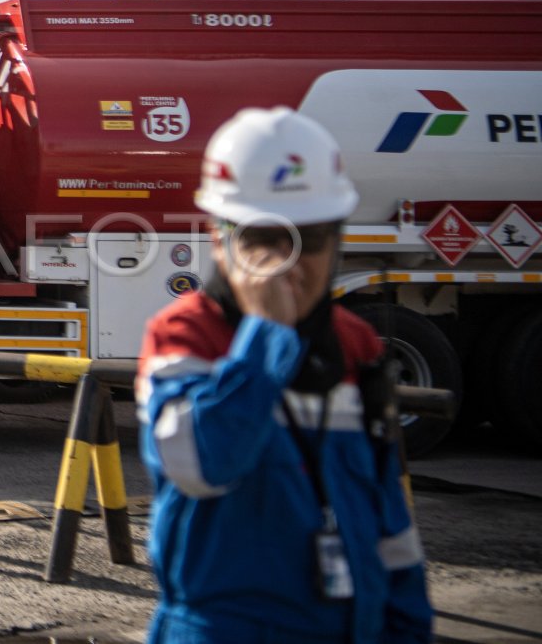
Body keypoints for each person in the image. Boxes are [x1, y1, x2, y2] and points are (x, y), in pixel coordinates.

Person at [135, 108, 433, 643]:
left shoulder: (353, 342)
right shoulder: (183, 335)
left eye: (310, 237)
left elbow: (388, 514)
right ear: (218, 237)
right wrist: (265, 335)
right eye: (264, 237)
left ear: (338, 236)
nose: (289, 262)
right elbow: (202, 465)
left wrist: (408, 627)